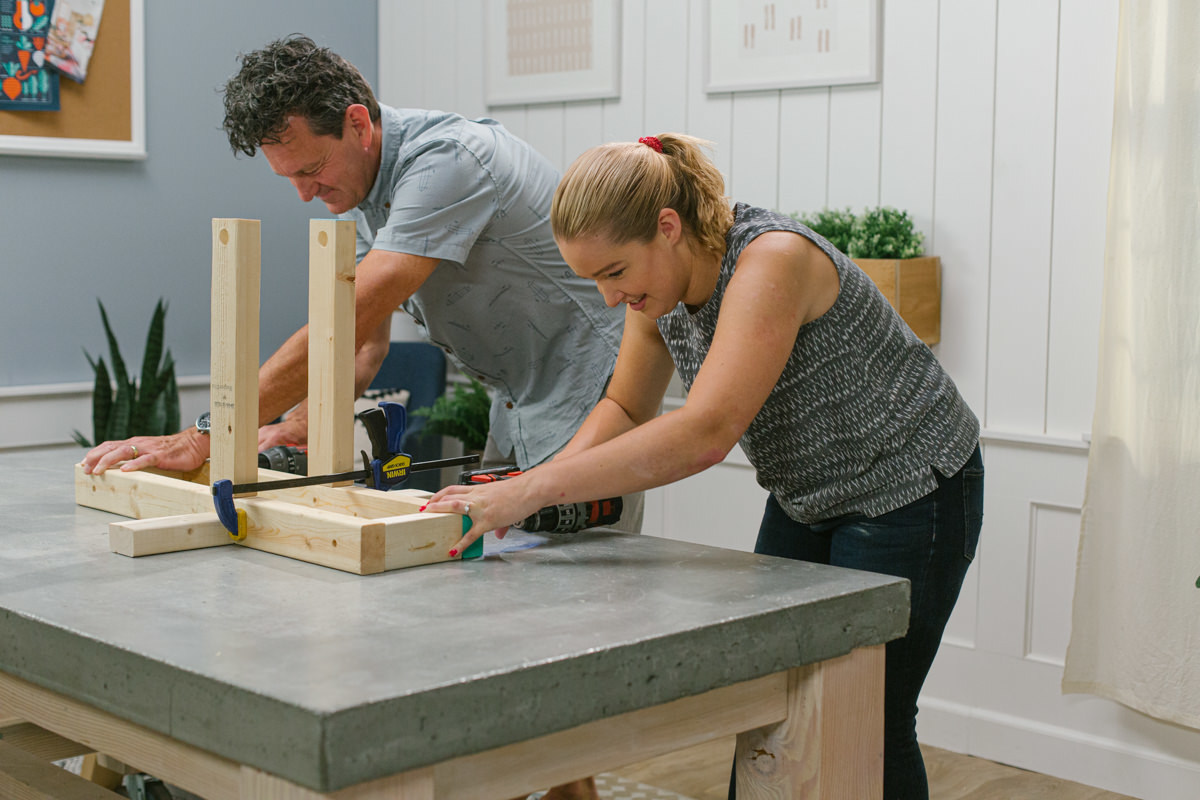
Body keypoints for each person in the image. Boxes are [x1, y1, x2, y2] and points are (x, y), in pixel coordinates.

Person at [424, 133, 984, 800]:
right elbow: (627, 407)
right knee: (773, 700)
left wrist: (530, 489)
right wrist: (530, 489)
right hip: (808, 495)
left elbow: (706, 432)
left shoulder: (770, 261)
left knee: (872, 715)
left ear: (668, 228)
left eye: (613, 273)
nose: (608, 297)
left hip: (912, 488)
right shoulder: (655, 295)